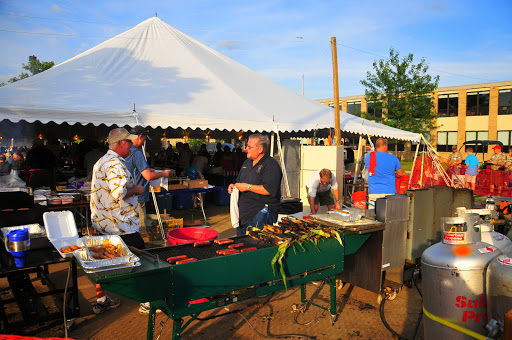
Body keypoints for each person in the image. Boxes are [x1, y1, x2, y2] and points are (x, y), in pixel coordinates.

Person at [90, 127, 144, 315]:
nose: (131, 145)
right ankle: (147, 300)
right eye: (128, 142)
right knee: (142, 261)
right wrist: (136, 190)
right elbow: (119, 193)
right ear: (120, 143)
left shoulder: (101, 161)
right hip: (121, 225)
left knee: (103, 263)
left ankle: (101, 299)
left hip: (105, 223)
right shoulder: (115, 164)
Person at [228, 134, 282, 236]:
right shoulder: (247, 163)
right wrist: (233, 186)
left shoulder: (271, 164)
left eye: (249, 146)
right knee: (243, 247)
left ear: (260, 149)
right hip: (243, 215)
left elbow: (269, 189)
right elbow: (240, 182)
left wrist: (248, 187)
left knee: (257, 246)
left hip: (261, 213)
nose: (246, 149)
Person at [125, 126, 171, 235]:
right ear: (140, 137)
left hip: (126, 194)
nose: (144, 142)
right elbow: (148, 176)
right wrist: (163, 174)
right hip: (137, 196)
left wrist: (144, 169)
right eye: (144, 139)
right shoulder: (137, 153)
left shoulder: (125, 151)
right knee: (140, 228)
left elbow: (132, 169)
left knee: (128, 226)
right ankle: (139, 248)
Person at [364, 138, 404, 206]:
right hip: (389, 192)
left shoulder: (369, 157)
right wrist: (393, 174)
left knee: (373, 214)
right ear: (385, 147)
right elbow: (400, 173)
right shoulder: (393, 158)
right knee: (389, 214)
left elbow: (371, 169)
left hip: (374, 191)